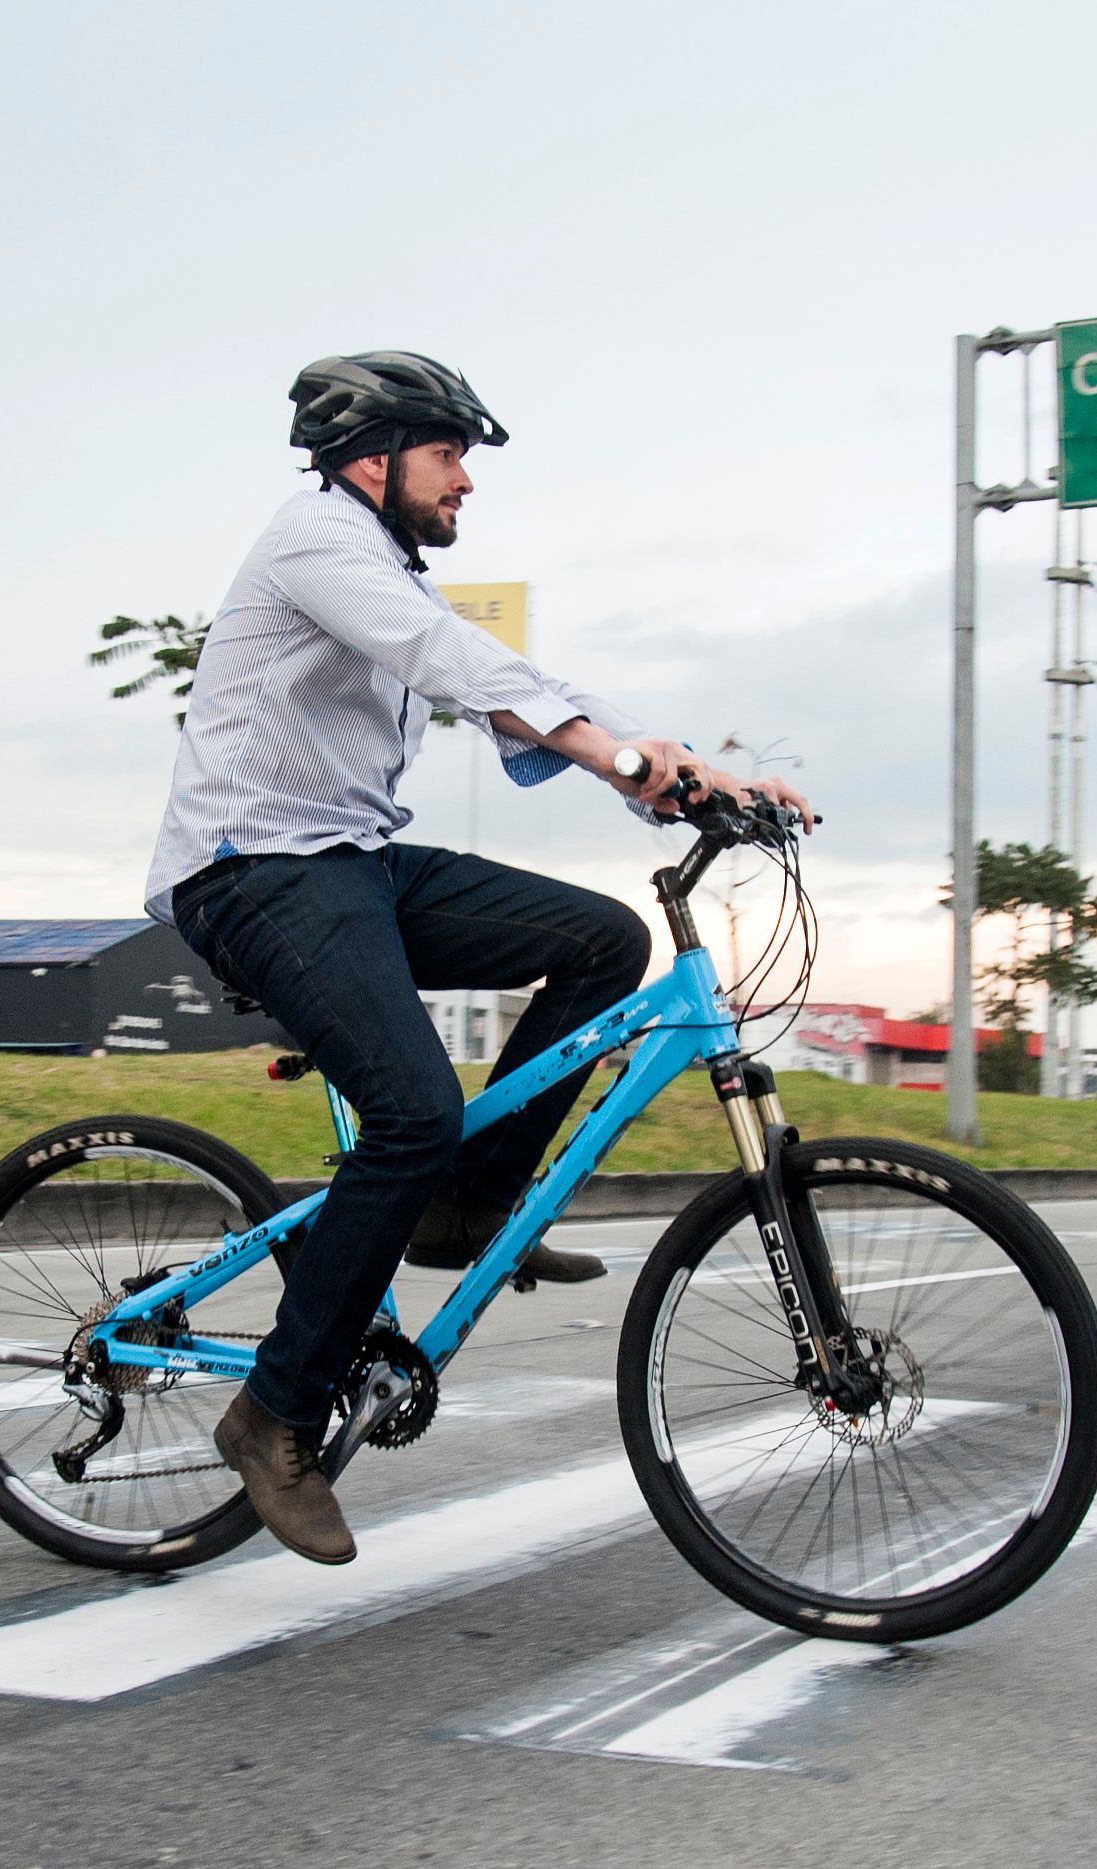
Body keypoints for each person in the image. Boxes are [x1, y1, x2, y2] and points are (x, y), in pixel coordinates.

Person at [147, 350, 811, 1566]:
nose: (466, 484)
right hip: (252, 871)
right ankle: (274, 1413)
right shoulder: (317, 543)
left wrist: (681, 776)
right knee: (410, 1109)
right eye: (450, 456)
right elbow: (451, 664)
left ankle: (468, 1203)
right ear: (372, 457)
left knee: (600, 940)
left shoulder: (382, 563)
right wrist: (618, 757)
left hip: (352, 860)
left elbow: (510, 694)